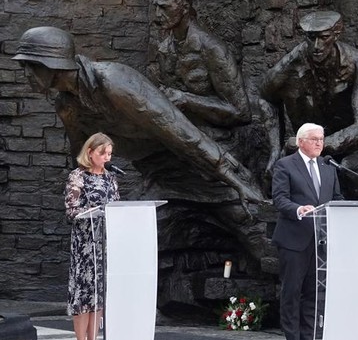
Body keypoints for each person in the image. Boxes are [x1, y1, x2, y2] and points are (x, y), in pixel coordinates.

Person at [12, 26, 265, 215]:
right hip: (161, 169)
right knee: (132, 228)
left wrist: (235, 179)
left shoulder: (113, 81)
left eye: (30, 66)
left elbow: (181, 131)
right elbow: (83, 156)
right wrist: (85, 192)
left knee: (248, 215)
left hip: (201, 156)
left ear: (51, 64)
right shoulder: (67, 105)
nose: (26, 74)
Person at [260, 11, 358, 215]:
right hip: (316, 146)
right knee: (289, 172)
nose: (316, 46)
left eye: (323, 38)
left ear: (336, 34)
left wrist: (316, 147)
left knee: (350, 167)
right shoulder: (292, 62)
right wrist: (274, 151)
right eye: (311, 38)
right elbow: (266, 97)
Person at [271, 123, 343, 340]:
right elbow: (280, 199)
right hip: (293, 239)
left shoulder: (328, 167)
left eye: (321, 139)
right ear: (300, 142)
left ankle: (308, 339)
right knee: (292, 291)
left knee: (313, 293)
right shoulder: (285, 165)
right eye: (314, 139)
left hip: (321, 240)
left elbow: (336, 198)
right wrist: (299, 209)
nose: (319, 143)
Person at [150, 0, 251, 128]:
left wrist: (186, 100)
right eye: (155, 7)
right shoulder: (164, 48)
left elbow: (242, 113)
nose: (157, 14)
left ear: (185, 6)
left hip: (215, 139)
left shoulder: (213, 49)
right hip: (177, 132)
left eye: (164, 7)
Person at [64, 132, 120, 340]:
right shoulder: (78, 177)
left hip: (104, 243)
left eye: (109, 153)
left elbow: (116, 206)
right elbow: (71, 210)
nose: (107, 157)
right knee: (83, 294)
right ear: (90, 152)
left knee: (99, 294)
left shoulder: (110, 178)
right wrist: (91, 213)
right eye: (102, 153)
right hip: (85, 244)